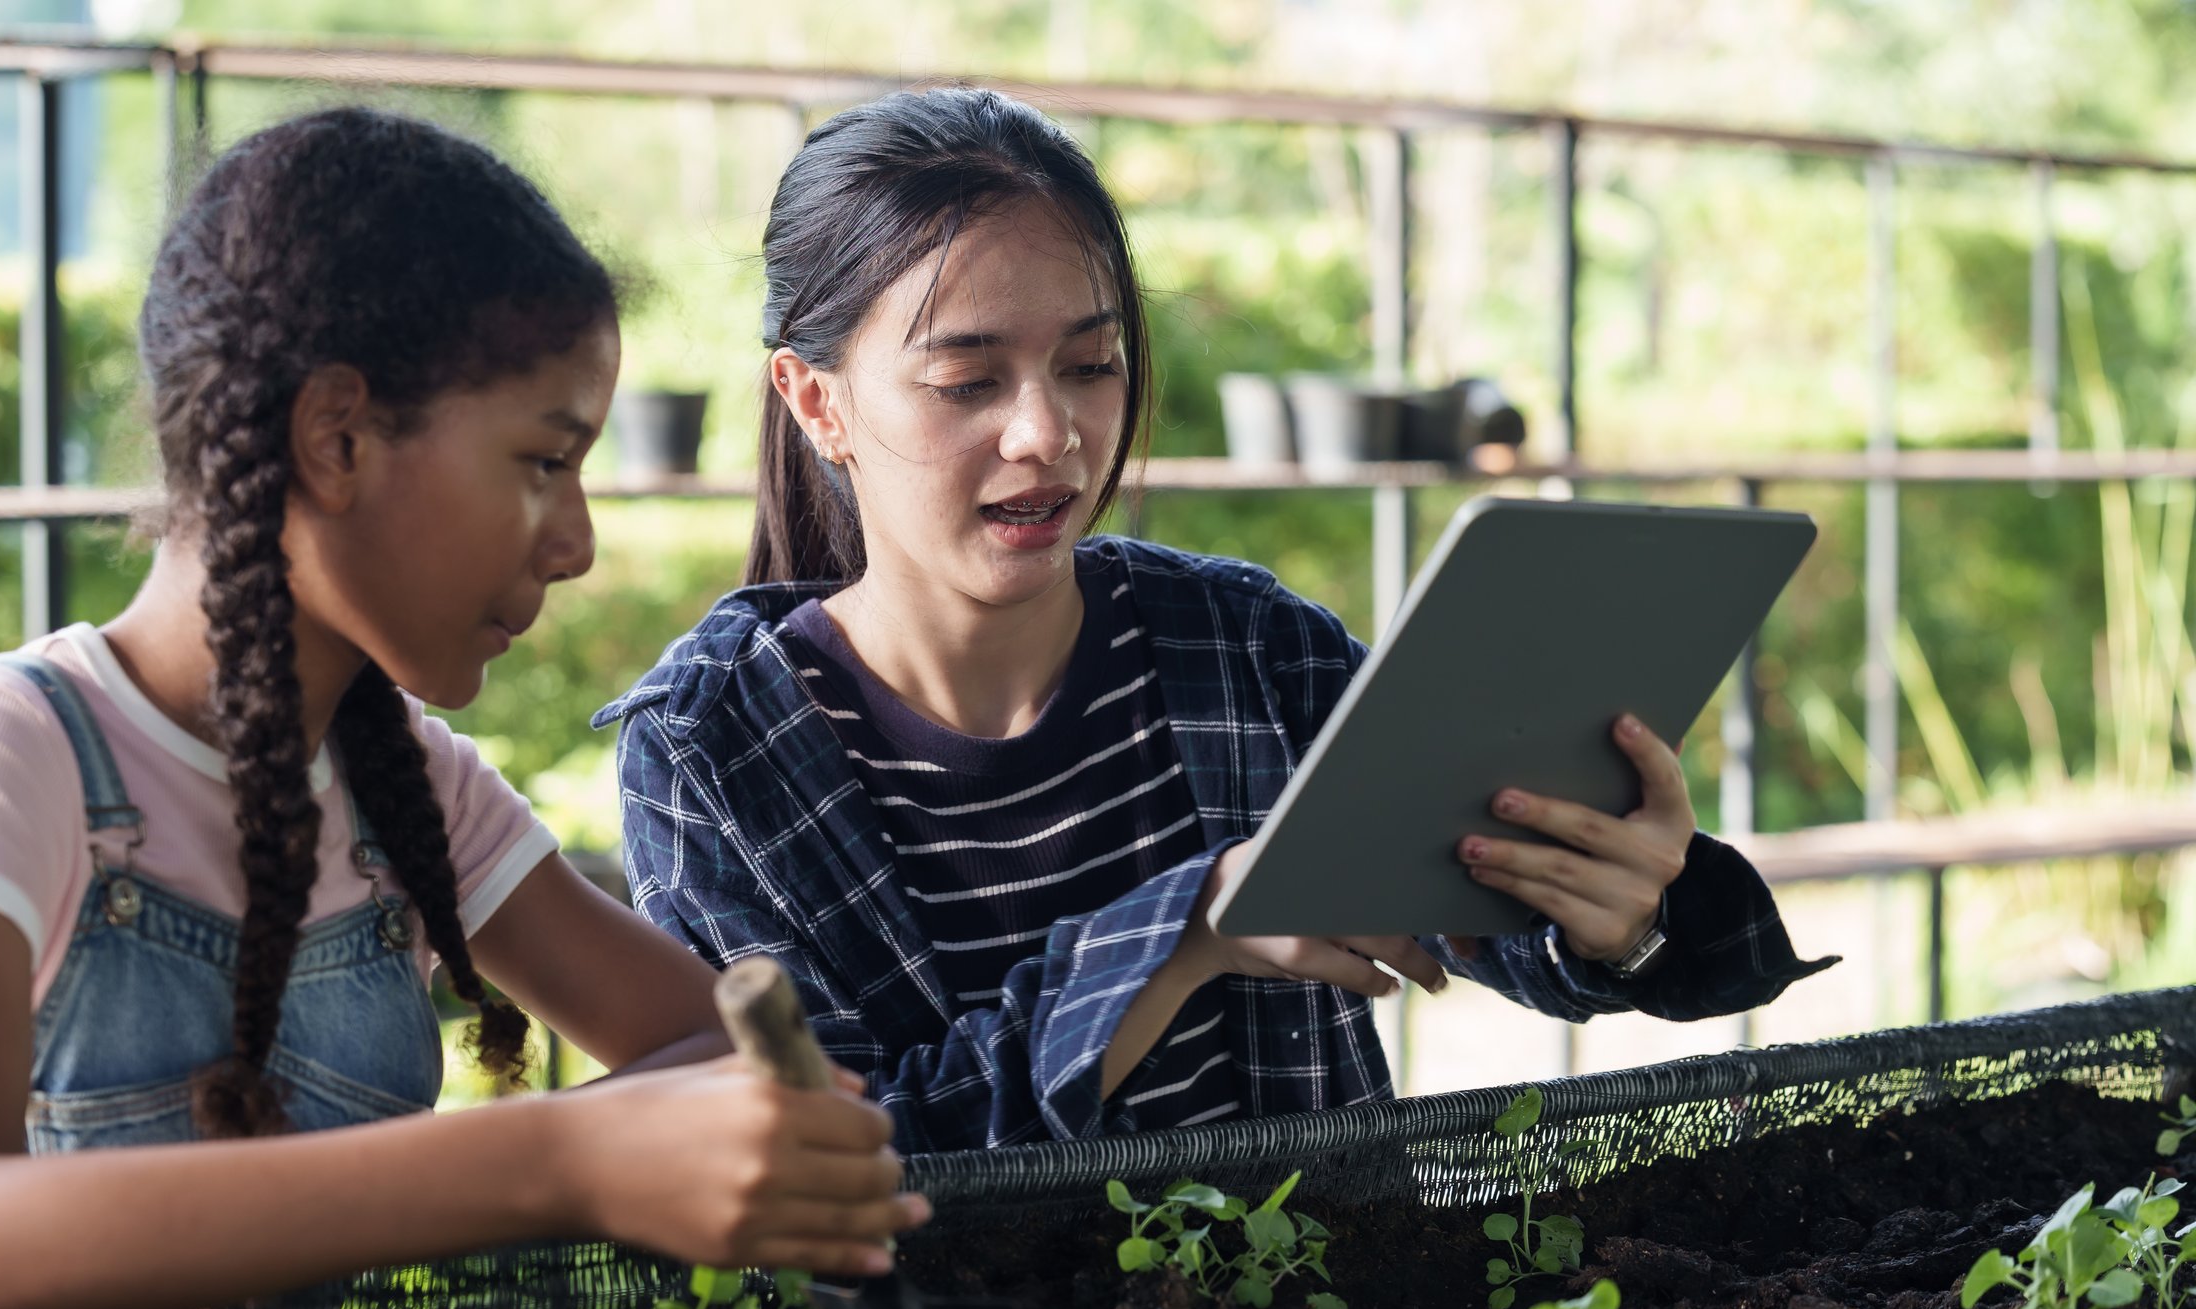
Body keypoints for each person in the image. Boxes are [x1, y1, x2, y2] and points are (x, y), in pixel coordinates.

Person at [0, 107, 920, 1309]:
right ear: (335, 439)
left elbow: (715, 1045)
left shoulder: (413, 789)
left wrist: (664, 1146)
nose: (578, 543)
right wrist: (551, 1157)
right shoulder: (4, 756)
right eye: (543, 462)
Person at [598, 87, 1830, 1155]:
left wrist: (1623, 916)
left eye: (1090, 363)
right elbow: (852, 1158)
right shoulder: (712, 754)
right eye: (967, 380)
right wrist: (1183, 930)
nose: (1050, 435)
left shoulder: (1243, 647)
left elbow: (1495, 922)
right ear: (816, 400)